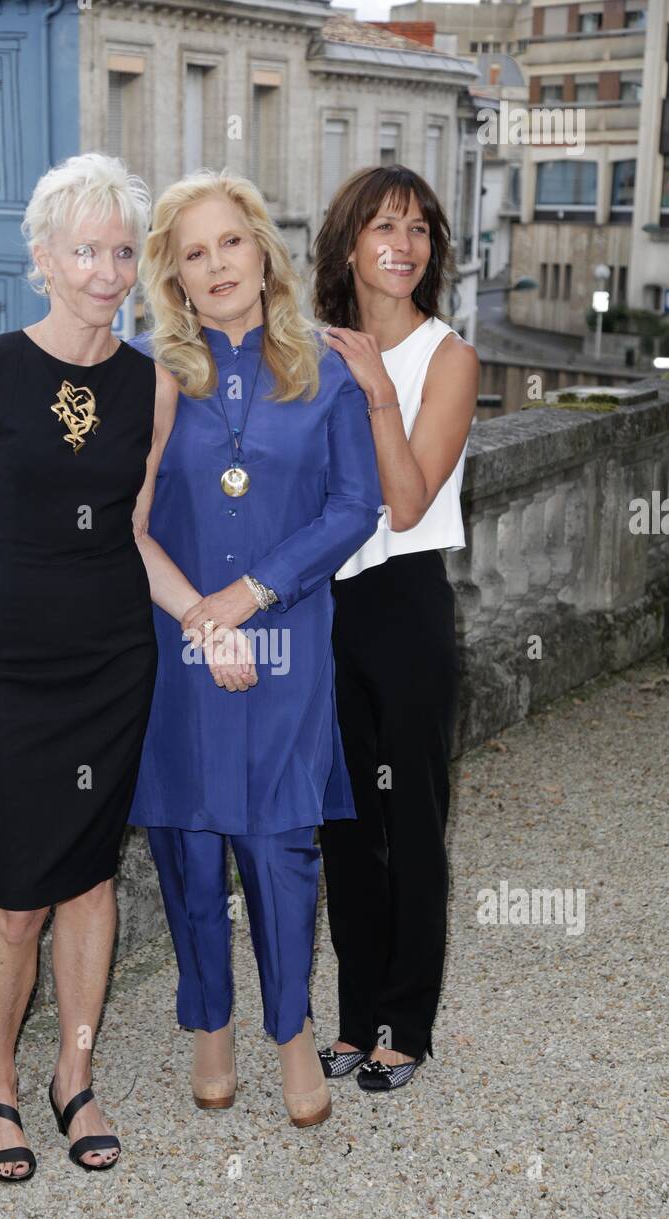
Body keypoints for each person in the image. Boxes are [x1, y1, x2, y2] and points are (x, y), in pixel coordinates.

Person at [0, 165, 382, 1129]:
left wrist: (251, 595)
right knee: (184, 843)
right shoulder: (152, 374)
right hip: (172, 646)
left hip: (285, 639)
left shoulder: (329, 367)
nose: (216, 263)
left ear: (263, 248)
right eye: (191, 252)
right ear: (171, 278)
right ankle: (209, 1025)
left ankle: (293, 1029)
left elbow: (357, 506)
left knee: (279, 842)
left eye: (231, 241)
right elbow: (95, 487)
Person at [0, 153, 246, 1180]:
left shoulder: (150, 384)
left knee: (92, 883)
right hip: (15, 664)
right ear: (43, 259)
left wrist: (199, 612)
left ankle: (73, 1074)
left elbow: (135, 534)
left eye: (119, 250)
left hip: (114, 660)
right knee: (20, 892)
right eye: (85, 250)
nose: (107, 271)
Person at [312, 164, 479, 1093]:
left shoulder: (446, 358)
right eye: (384, 226)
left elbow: (408, 505)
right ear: (349, 244)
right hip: (324, 603)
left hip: (406, 602)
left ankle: (406, 1023)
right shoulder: (311, 349)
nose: (404, 245)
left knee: (411, 820)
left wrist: (377, 388)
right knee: (344, 821)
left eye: (419, 229)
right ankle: (353, 1015)